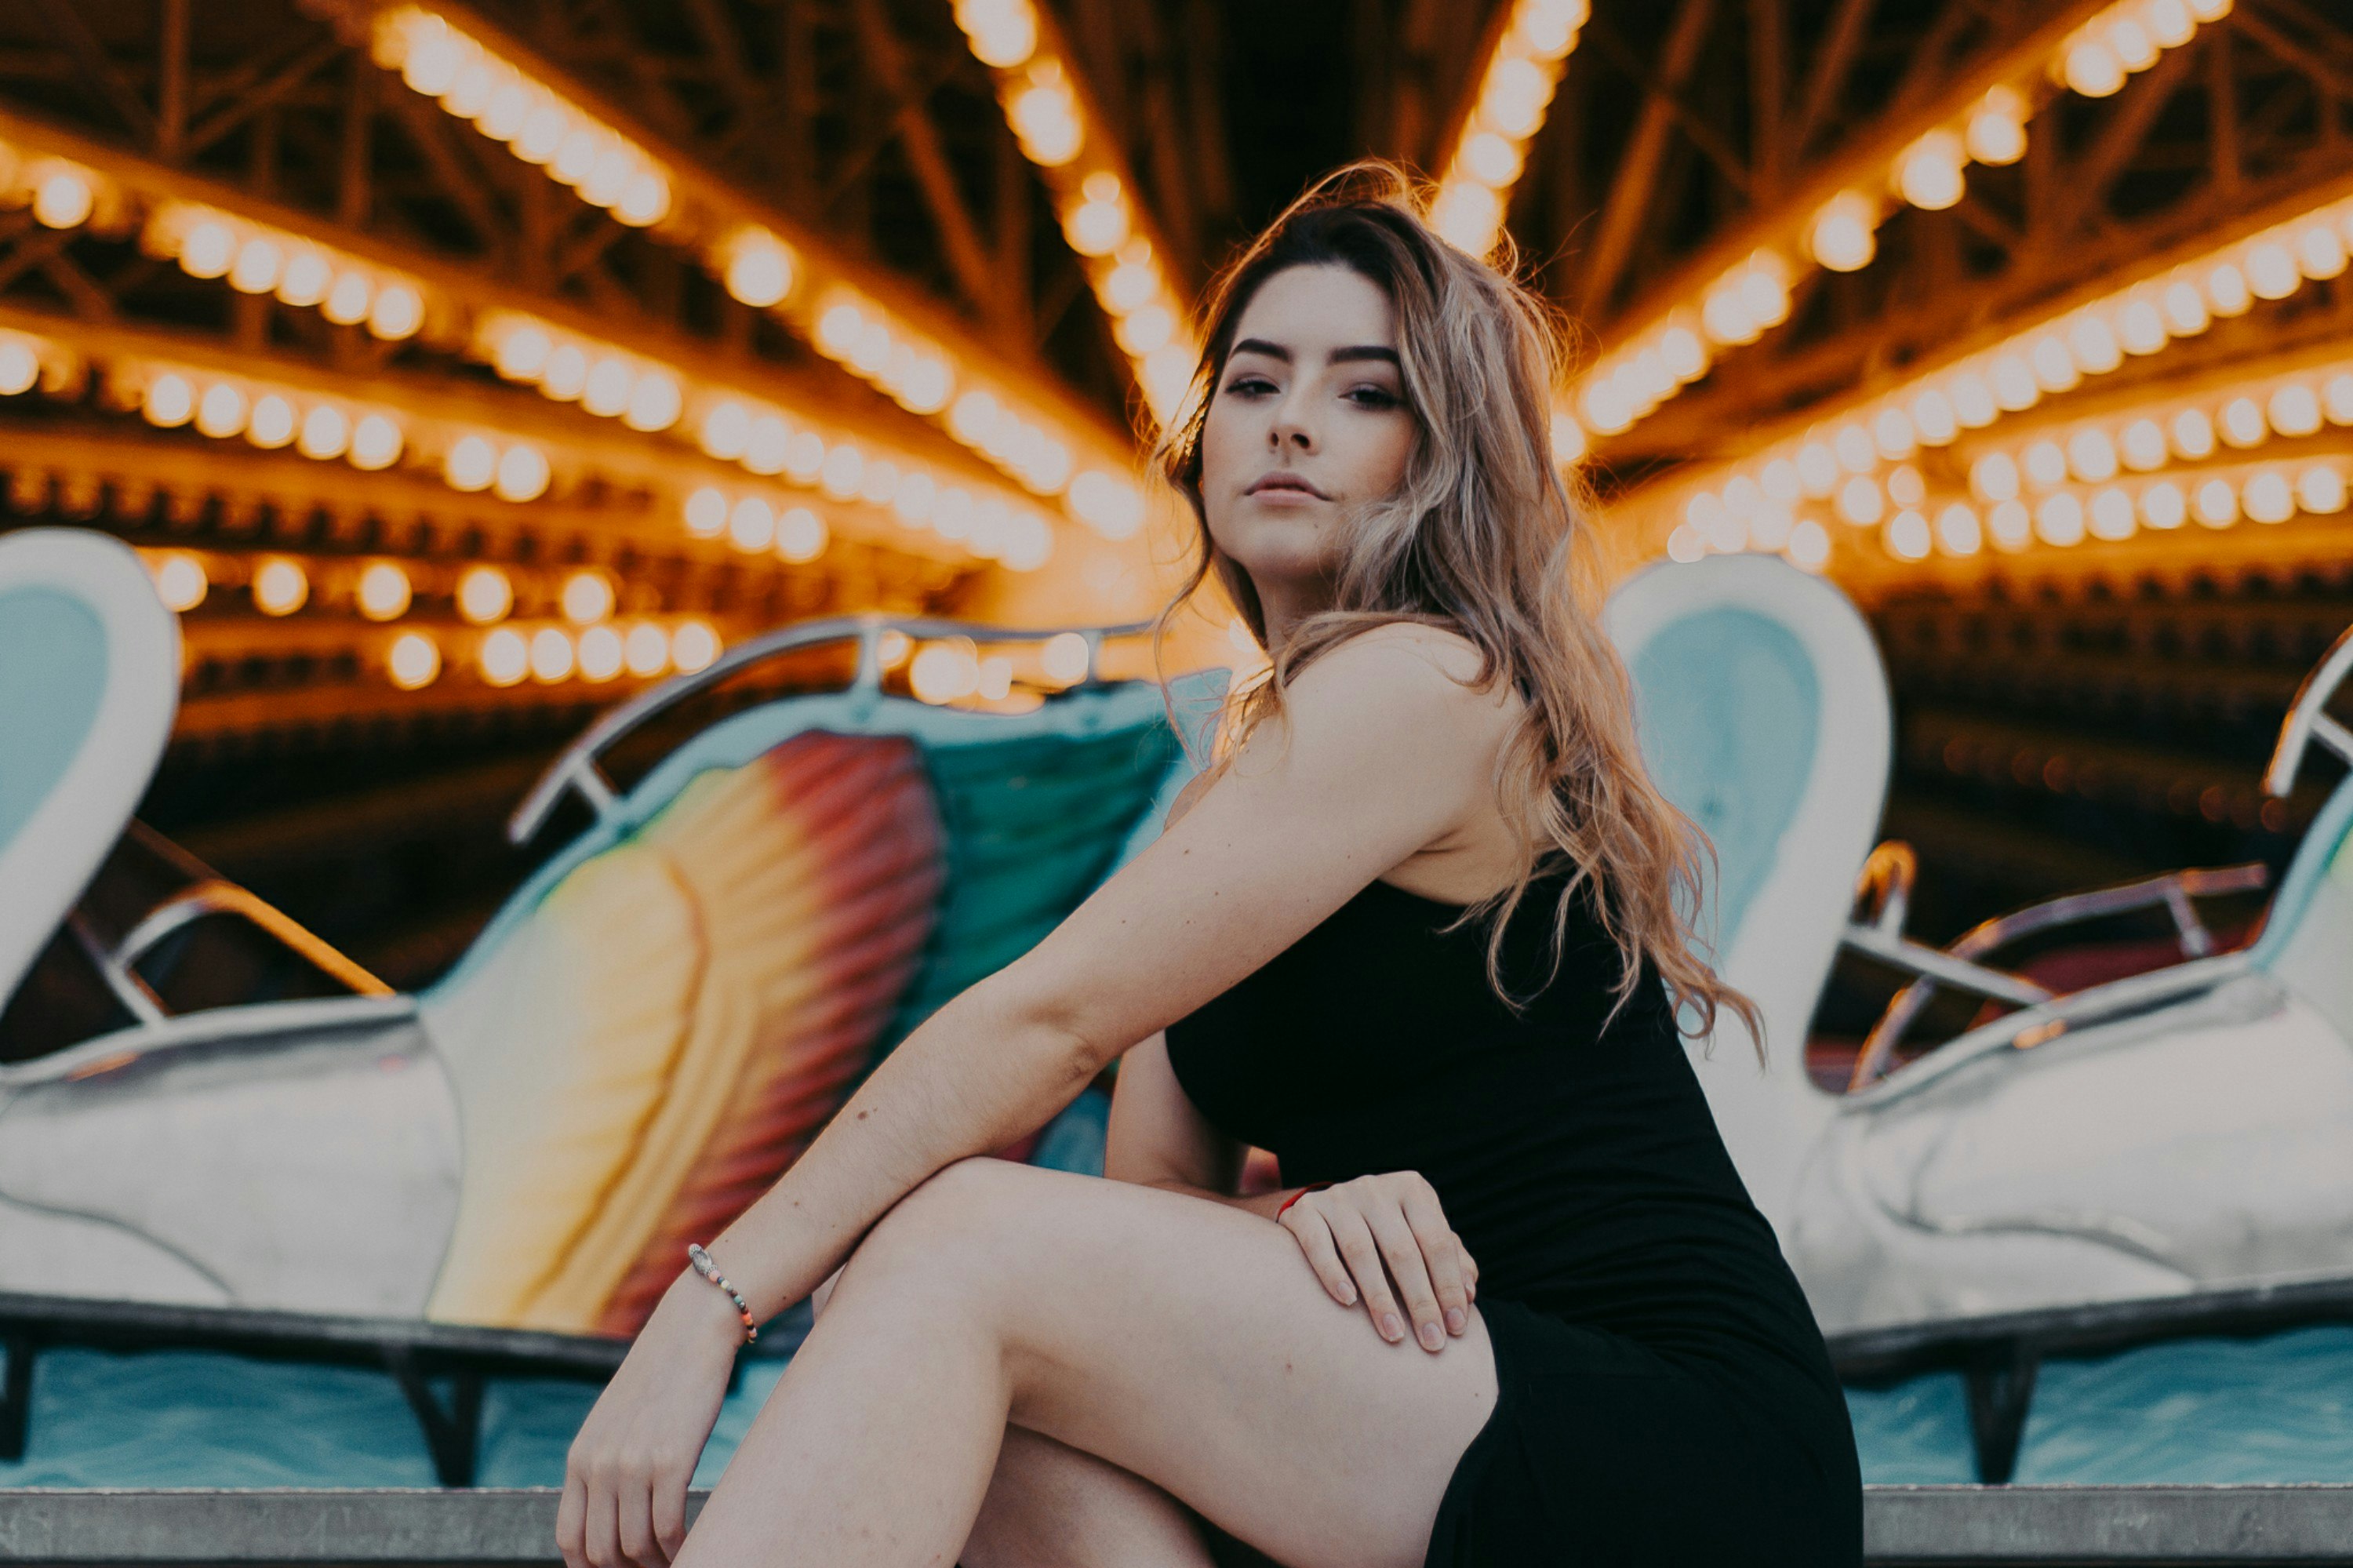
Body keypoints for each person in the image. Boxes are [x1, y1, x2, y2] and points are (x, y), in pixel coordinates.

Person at [556, 163, 1863, 1568]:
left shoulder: (1432, 681)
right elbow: (1144, 1225)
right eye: (1254, 383)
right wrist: (1298, 1210)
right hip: (1433, 1413)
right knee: (962, 1362)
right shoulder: (1223, 819)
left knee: (950, 1238)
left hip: (1663, 1438)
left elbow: (1046, 1025)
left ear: (1442, 456)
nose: (1293, 419)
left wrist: (713, 1303)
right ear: (1204, 440)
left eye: (1367, 393)